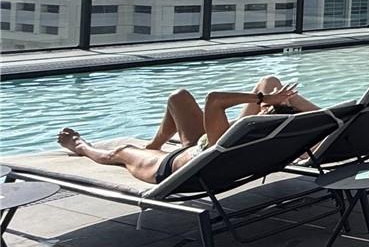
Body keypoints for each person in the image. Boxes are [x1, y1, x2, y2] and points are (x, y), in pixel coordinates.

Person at [57, 75, 316, 184]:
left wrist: (263, 98)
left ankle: (80, 145)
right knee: (178, 97)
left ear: (265, 114)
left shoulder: (230, 135)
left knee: (121, 151)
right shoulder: (261, 135)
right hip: (205, 153)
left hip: (175, 167)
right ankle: (154, 144)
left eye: (264, 109)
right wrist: (276, 102)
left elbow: (215, 99)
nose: (261, 108)